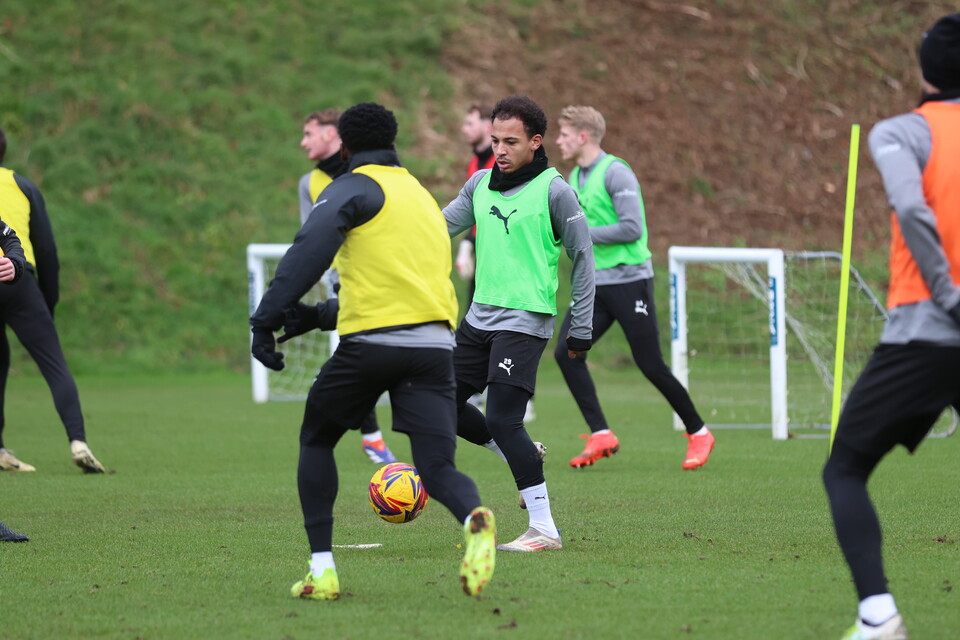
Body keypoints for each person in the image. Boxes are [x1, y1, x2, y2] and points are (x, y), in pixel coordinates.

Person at [251, 102, 497, 600]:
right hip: (432, 349)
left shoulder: (352, 187)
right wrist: (317, 317)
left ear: (345, 146)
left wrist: (266, 319)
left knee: (317, 439)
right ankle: (475, 517)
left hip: (371, 346)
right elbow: (393, 283)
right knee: (435, 466)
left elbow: (307, 255)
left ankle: (323, 571)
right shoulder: (423, 197)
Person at [823, 14, 960, 640]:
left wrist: (949, 296)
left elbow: (910, 205)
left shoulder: (902, 132)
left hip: (929, 332)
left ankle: (878, 615)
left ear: (924, 68)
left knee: (845, 469)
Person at [442, 95, 595, 552]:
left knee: (504, 418)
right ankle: (514, 450)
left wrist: (581, 326)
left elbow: (584, 257)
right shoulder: (478, 186)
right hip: (478, 317)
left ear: (535, 141)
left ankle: (545, 529)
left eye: (511, 141)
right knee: (435, 402)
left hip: (525, 319)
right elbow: (436, 227)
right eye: (495, 141)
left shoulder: (555, 190)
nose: (501, 150)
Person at [553, 106, 715, 471]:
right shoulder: (576, 174)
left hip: (629, 282)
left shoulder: (616, 172)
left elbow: (632, 228)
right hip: (596, 285)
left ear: (583, 136)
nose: (558, 140)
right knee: (567, 353)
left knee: (649, 363)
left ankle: (699, 432)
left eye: (564, 134)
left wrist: (579, 235)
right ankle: (600, 434)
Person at [0, 127, 104, 474]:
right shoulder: (22, 186)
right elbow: (46, 249)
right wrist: (49, 301)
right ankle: (78, 443)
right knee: (53, 363)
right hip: (19, 278)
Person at [297, 108, 397, 465]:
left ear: (331, 135)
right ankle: (372, 437)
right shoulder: (308, 183)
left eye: (309, 133)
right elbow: (311, 238)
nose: (302, 141)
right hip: (346, 283)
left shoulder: (371, 172)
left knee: (385, 358)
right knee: (358, 354)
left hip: (389, 280)